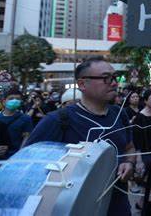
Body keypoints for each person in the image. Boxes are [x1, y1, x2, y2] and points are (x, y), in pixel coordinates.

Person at [26, 56, 136, 215]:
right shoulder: (57, 120)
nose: (114, 82)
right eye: (106, 78)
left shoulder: (120, 114)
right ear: (82, 84)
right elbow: (30, 165)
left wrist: (129, 163)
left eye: (114, 77)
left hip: (119, 207)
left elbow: (129, 148)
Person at [0, 88, 33, 159]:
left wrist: (19, 156)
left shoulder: (25, 119)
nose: (14, 100)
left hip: (14, 158)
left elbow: (26, 139)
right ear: (4, 101)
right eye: (11, 98)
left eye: (17, 99)